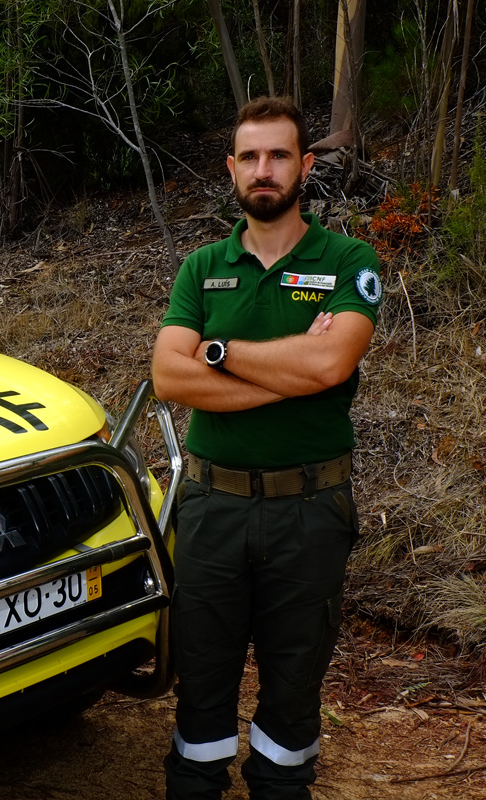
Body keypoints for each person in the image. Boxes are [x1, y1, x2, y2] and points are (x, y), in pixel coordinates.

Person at [151, 96, 382, 800]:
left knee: (291, 692)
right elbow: (168, 376)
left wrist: (216, 356)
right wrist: (288, 373)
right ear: (231, 169)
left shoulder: (348, 259)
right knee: (201, 692)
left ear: (305, 166)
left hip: (307, 512)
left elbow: (330, 366)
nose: (264, 169)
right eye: (249, 157)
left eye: (279, 155)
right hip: (212, 510)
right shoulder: (202, 268)